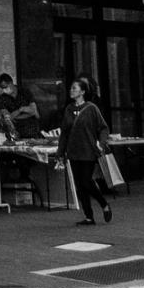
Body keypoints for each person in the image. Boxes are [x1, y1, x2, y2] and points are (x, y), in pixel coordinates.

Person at [54, 76, 112, 226]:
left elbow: (103, 128)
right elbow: (65, 133)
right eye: (71, 88)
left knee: (86, 181)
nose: (71, 91)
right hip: (73, 151)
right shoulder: (68, 109)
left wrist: (102, 142)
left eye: (74, 88)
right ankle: (89, 216)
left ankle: (104, 204)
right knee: (80, 185)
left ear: (83, 92)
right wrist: (60, 153)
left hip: (88, 150)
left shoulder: (91, 108)